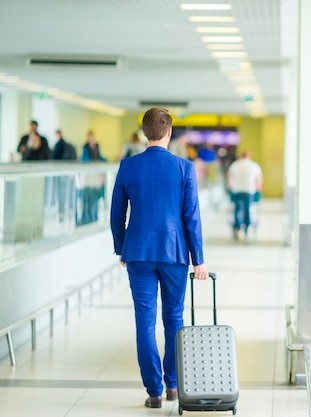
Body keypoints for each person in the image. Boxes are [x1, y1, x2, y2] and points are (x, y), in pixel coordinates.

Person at [110, 107, 209, 408]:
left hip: (138, 253)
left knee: (144, 322)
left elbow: (116, 214)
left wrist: (121, 247)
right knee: (174, 319)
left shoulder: (128, 166)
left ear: (144, 133)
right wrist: (199, 259)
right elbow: (191, 217)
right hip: (174, 253)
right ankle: (173, 386)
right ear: (169, 132)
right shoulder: (184, 167)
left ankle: (153, 391)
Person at [227, 150, 263, 239]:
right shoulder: (254, 165)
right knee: (247, 208)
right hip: (249, 190)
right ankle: (247, 227)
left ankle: (238, 226)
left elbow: (229, 176)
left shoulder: (235, 164)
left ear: (240, 156)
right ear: (249, 156)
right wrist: (259, 189)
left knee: (237, 209)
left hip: (237, 190)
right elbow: (259, 178)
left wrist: (230, 186)